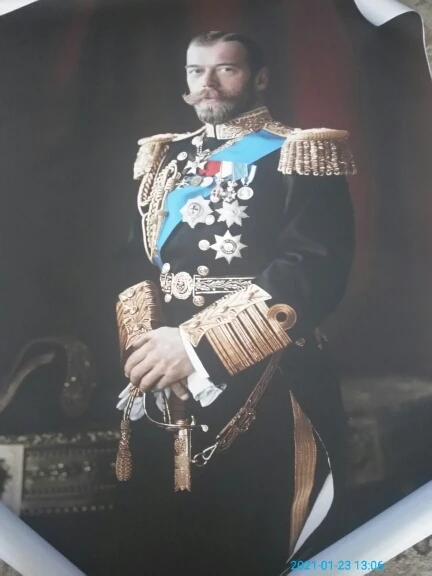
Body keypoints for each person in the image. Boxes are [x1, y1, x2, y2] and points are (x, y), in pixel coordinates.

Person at [116, 31, 356, 576]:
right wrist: (149, 354)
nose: (207, 83)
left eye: (225, 69)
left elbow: (313, 269)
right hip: (164, 378)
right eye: (195, 70)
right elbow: (133, 264)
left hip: (267, 376)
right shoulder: (165, 156)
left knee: (256, 540)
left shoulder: (300, 151)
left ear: (259, 77)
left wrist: (193, 349)